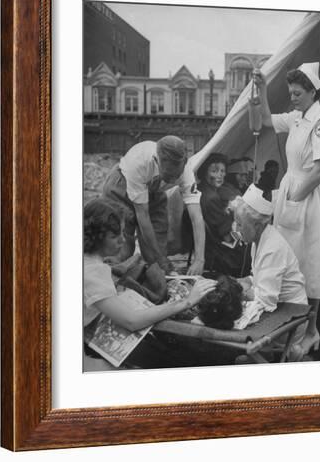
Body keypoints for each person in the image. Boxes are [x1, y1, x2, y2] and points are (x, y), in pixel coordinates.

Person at [83, 198, 215, 371]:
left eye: (123, 233)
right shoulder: (92, 271)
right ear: (97, 237)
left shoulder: (86, 261)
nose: (123, 240)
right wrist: (187, 302)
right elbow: (132, 321)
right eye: (115, 236)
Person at [253, 62, 320, 358]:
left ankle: (311, 330)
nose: (292, 97)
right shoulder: (297, 117)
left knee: (309, 261)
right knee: (287, 259)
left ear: (312, 92)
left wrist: (296, 197)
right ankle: (290, 326)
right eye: (290, 93)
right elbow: (267, 120)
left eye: (297, 93)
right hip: (290, 192)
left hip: (305, 195)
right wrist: (263, 87)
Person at [102, 136, 205, 276]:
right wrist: (161, 260)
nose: (173, 180)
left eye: (177, 175)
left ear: (185, 163)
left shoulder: (187, 172)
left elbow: (196, 217)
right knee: (123, 248)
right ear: (157, 161)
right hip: (122, 186)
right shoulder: (138, 163)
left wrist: (199, 260)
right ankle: (114, 285)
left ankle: (156, 287)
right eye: (168, 175)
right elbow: (142, 216)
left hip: (154, 190)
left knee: (156, 252)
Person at [231, 184, 308, 358]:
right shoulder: (258, 240)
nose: (236, 229)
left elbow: (266, 301)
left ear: (257, 225)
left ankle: (277, 355)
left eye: (240, 224)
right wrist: (245, 281)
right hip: (278, 307)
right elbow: (259, 276)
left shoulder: (272, 247)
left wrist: (238, 289)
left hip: (291, 316)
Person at [196, 153, 250, 276]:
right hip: (220, 251)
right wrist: (243, 238)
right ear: (205, 172)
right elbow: (227, 235)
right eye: (214, 171)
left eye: (222, 171)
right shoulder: (211, 198)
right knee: (252, 247)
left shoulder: (202, 190)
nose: (220, 175)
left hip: (211, 245)